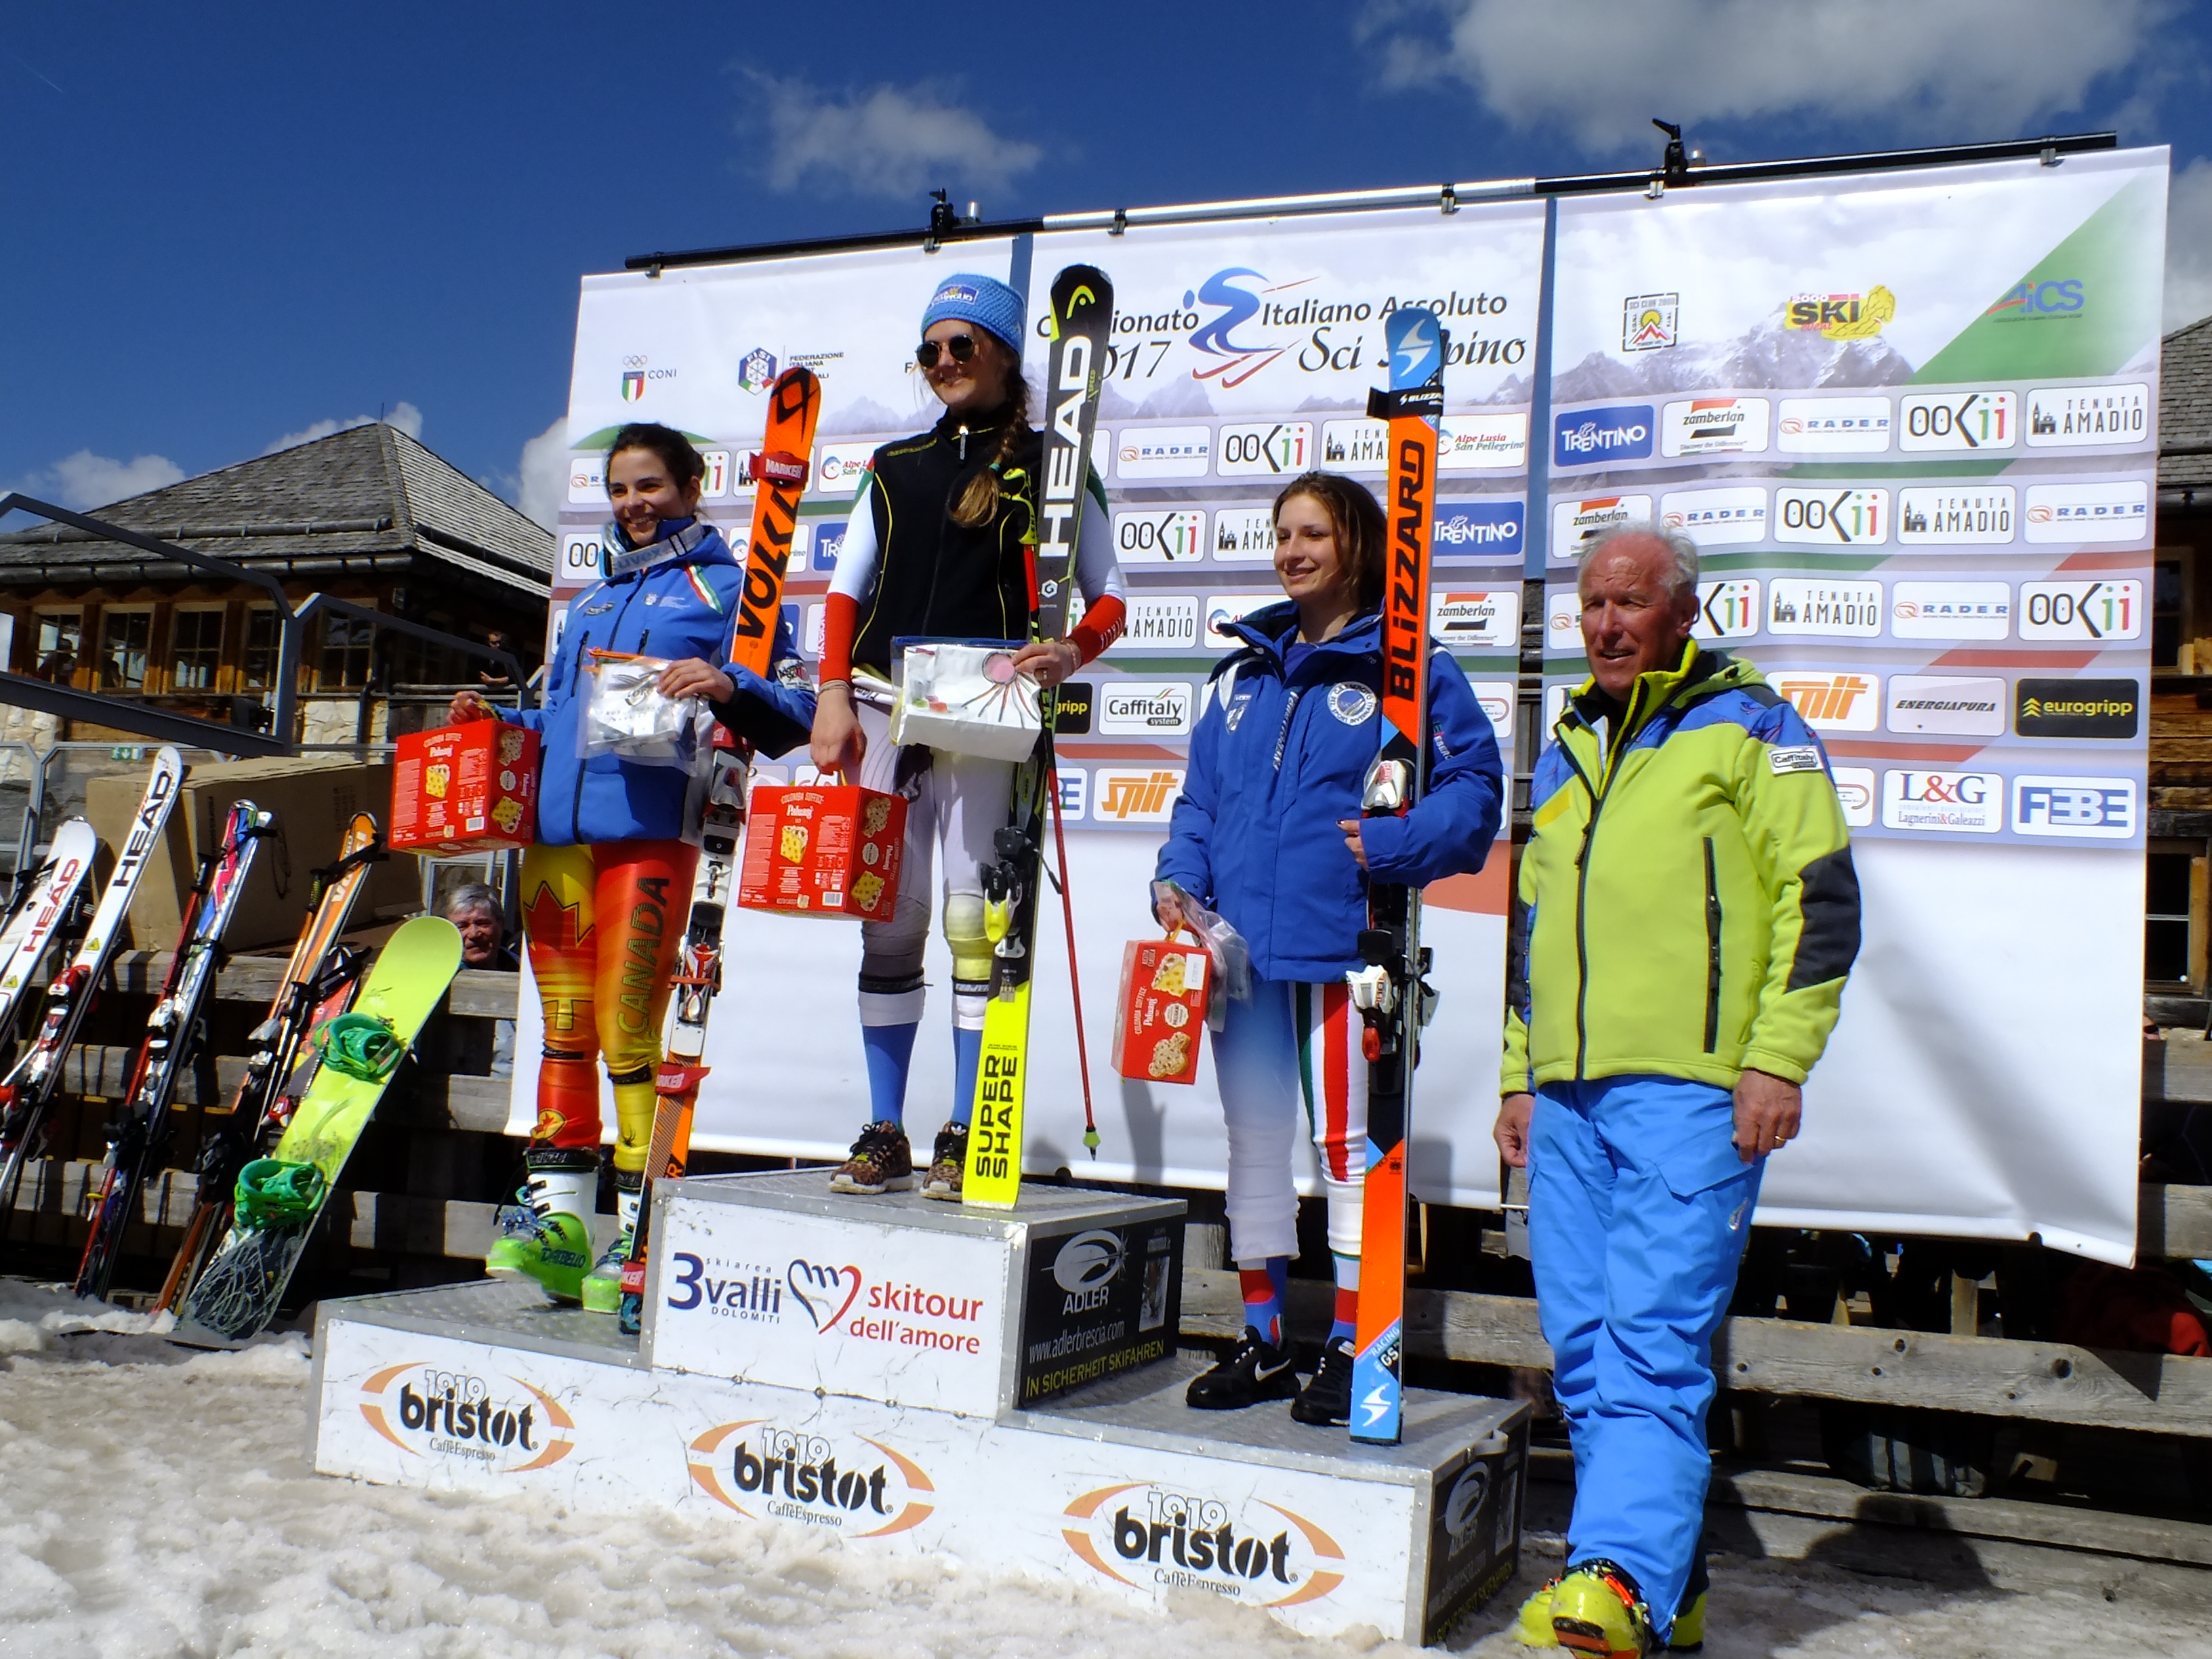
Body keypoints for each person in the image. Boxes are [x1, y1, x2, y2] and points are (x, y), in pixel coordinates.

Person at [1494, 523, 1860, 1655]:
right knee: (1590, 1353)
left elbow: (1821, 900)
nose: (1603, 624)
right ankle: (1668, 1586)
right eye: (1591, 605)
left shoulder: (1751, 725)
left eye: (1627, 602)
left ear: (1679, 613)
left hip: (1692, 1092)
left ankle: (1603, 1577)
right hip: (1566, 1099)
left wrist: (1774, 1056)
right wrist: (1517, 1073)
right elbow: (1530, 927)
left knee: (1652, 1341)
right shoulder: (1563, 746)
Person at [1152, 471, 1503, 1427]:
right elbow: (1200, 802)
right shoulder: (1240, 675)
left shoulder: (1407, 667)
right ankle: (1263, 1337)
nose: (1293, 550)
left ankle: (1357, 1345)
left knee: (1349, 1152)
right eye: (1282, 534)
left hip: (1344, 948)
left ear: (1357, 545)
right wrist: (1175, 879)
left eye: (1313, 533)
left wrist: (1393, 847)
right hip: (1240, 955)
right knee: (1255, 1143)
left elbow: (1476, 788)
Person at [450, 421, 813, 1314]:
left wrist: (729, 684)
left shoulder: (731, 587)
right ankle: (561, 1231)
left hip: (650, 829)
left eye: (649, 486)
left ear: (692, 487)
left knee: (629, 1030)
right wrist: (499, 723)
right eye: (619, 489)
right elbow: (563, 721)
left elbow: (796, 704)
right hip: (555, 833)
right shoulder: (592, 599)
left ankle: (641, 1235)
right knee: (564, 1027)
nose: (632, 504)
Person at [810, 272, 1126, 1201]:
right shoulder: (895, 465)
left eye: (964, 345)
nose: (945, 363)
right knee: (886, 917)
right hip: (880, 707)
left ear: (1003, 354)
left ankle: (963, 1130)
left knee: (970, 926)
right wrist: (830, 695)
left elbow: (1112, 594)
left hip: (986, 712)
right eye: (932, 349)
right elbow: (841, 591)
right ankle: (882, 1131)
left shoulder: (1050, 465)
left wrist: (1073, 648)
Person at [445, 882, 517, 1076]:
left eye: (483, 923)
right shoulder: (440, 981)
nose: (474, 934)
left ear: (501, 923)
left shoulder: (527, 975)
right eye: (462, 926)